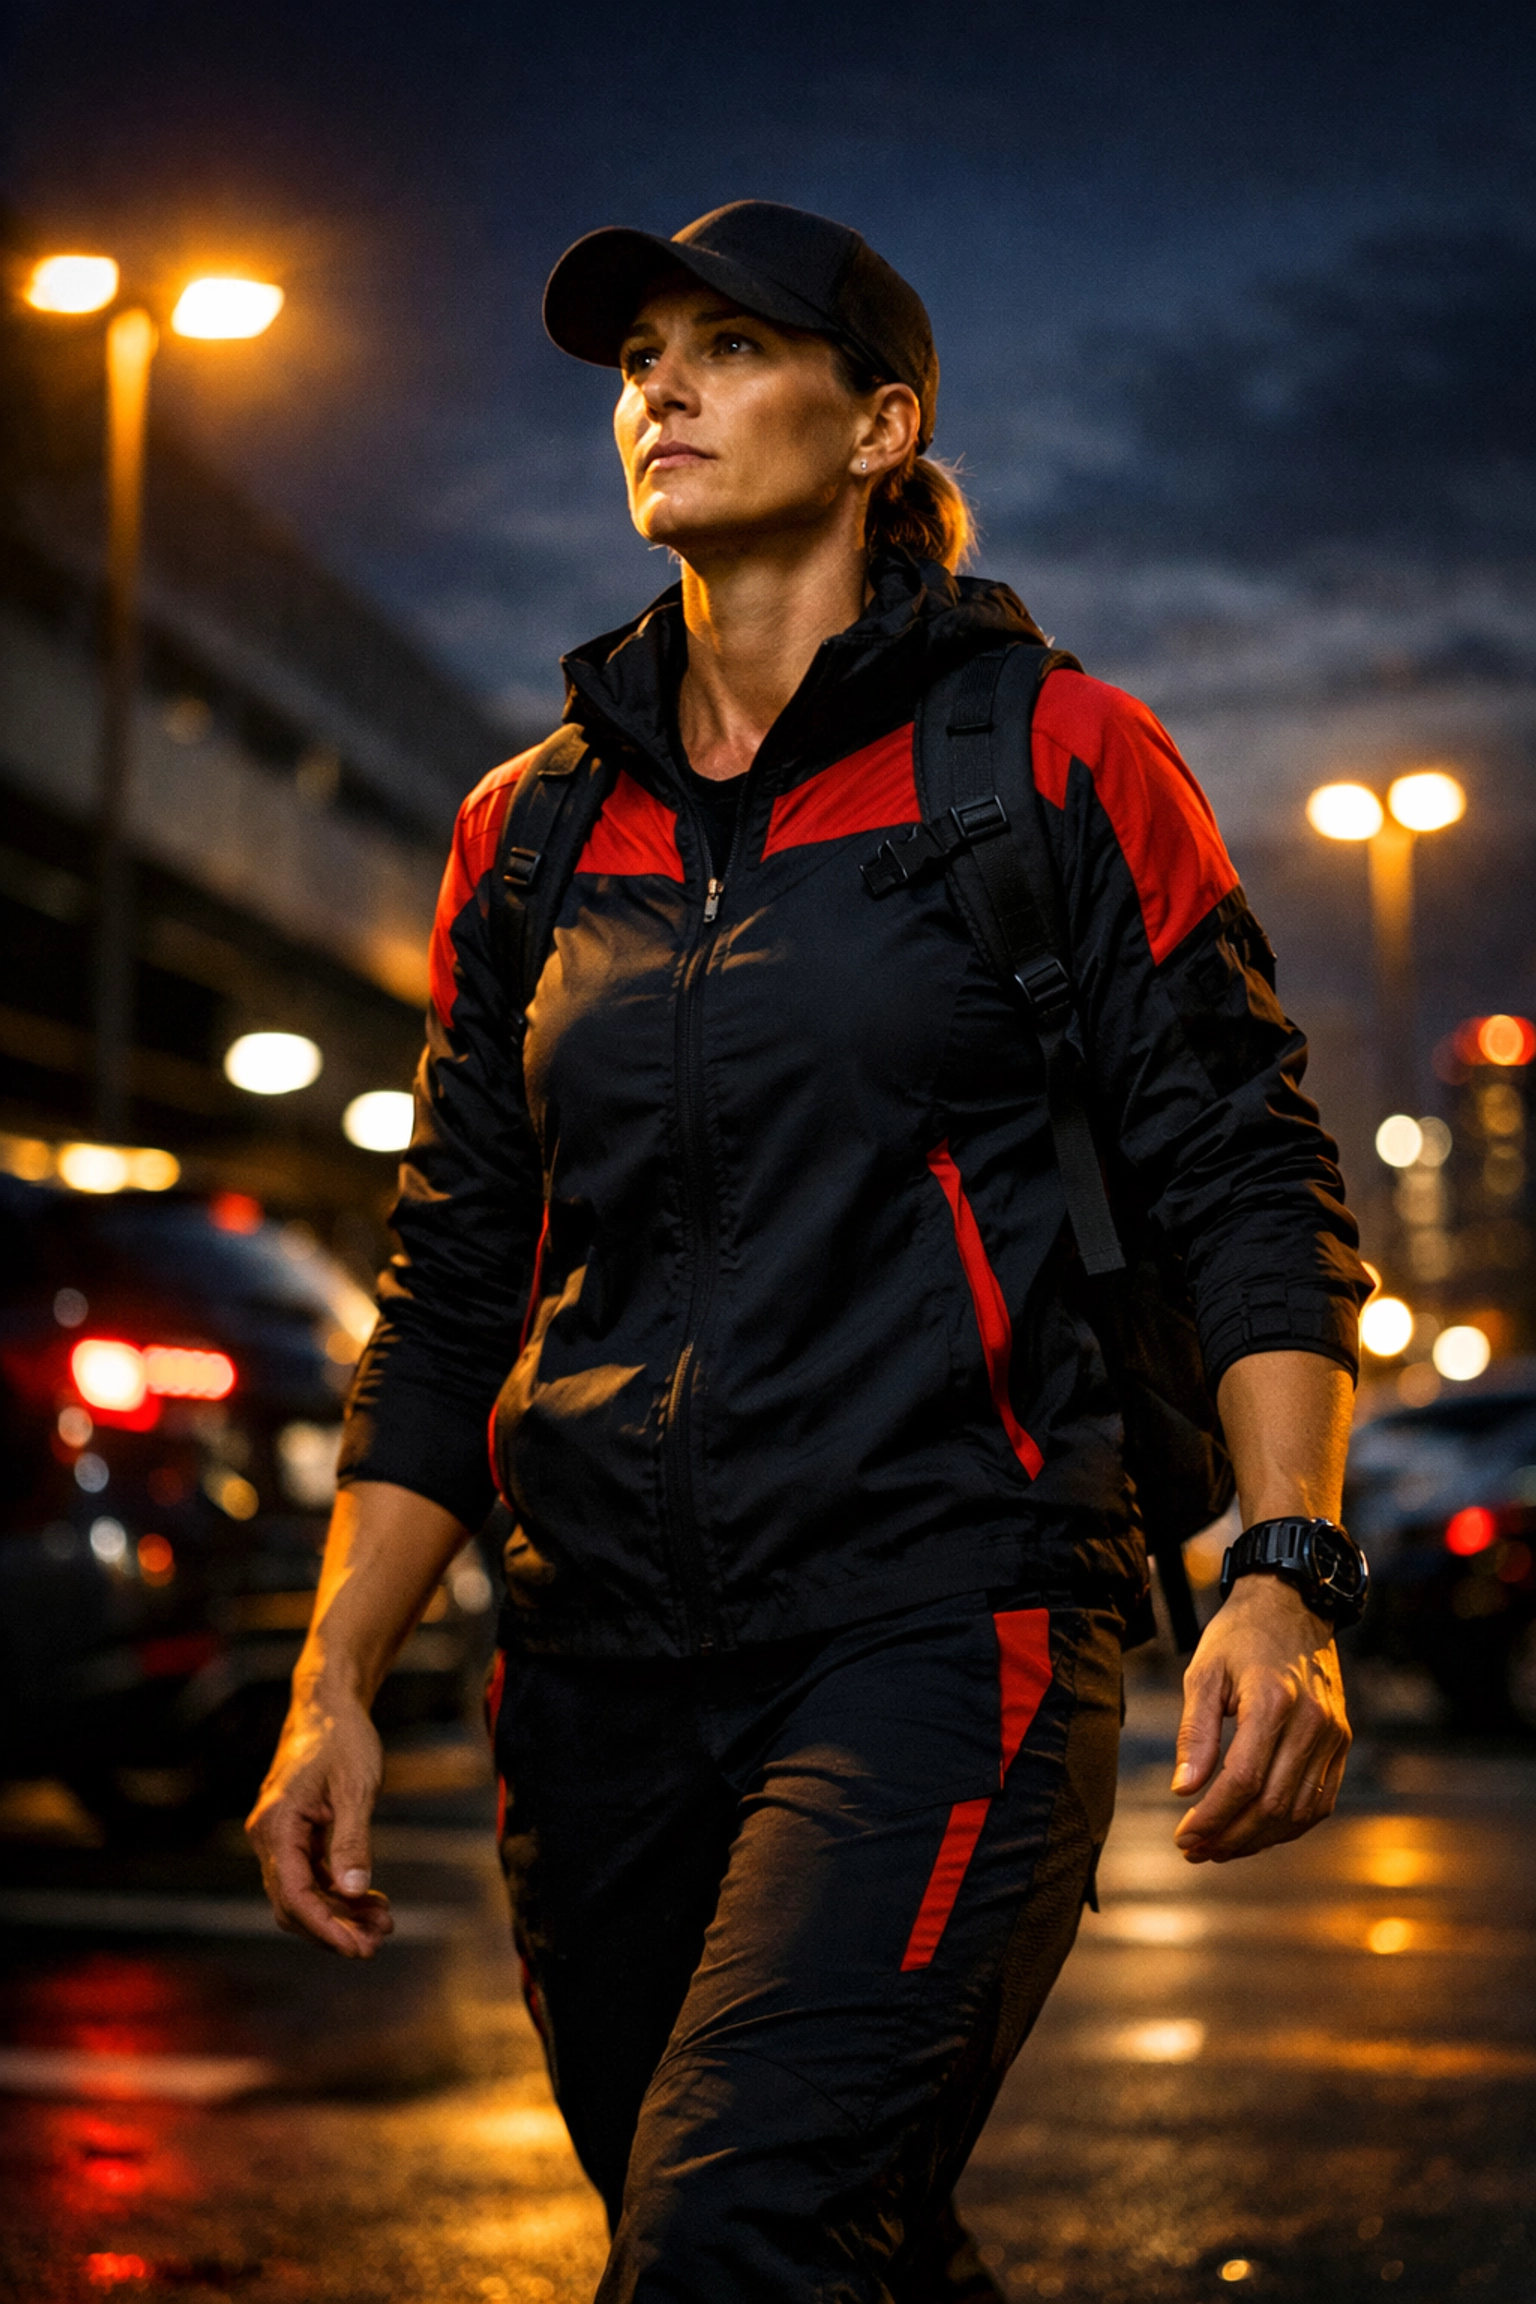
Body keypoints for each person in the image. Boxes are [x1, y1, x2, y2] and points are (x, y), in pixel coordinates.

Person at [249, 201, 1372, 2302]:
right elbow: (453, 1279)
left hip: (947, 1620)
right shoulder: (532, 831)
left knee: (735, 2234)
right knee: (815, 2243)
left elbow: (1247, 1182)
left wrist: (1288, 1573)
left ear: (880, 426)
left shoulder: (1047, 759)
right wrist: (332, 1683)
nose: (656, 388)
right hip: (592, 1670)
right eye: (634, 355)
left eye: (726, 346)